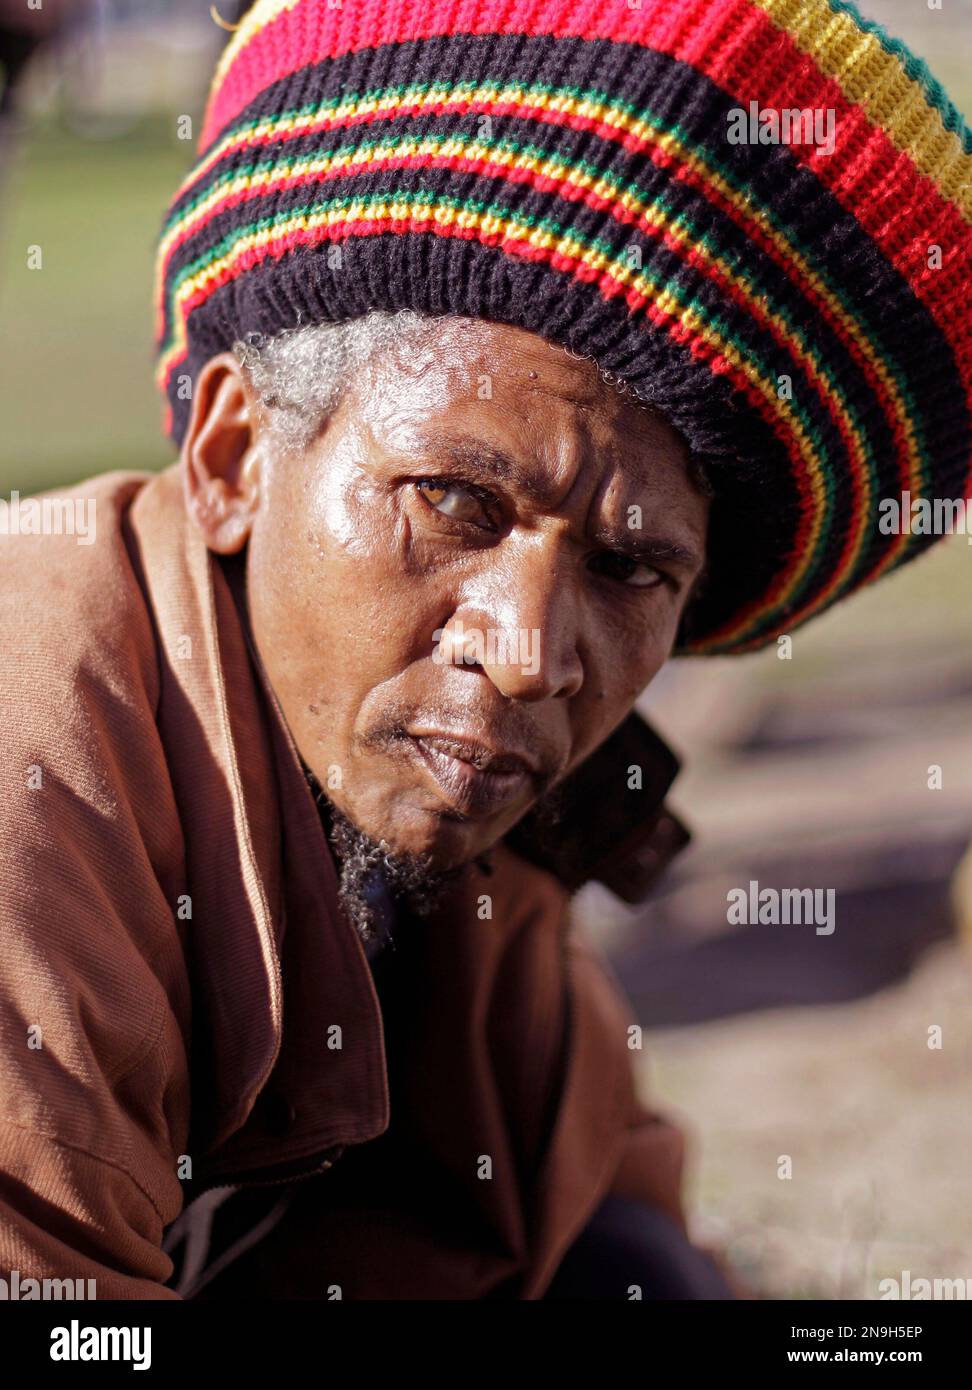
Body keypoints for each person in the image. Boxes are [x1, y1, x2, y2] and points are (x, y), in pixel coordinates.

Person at [0, 0, 968, 1299]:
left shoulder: (473, 830)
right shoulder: (33, 764)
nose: (529, 655)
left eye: (630, 567)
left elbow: (608, 1208)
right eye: (455, 502)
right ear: (234, 459)